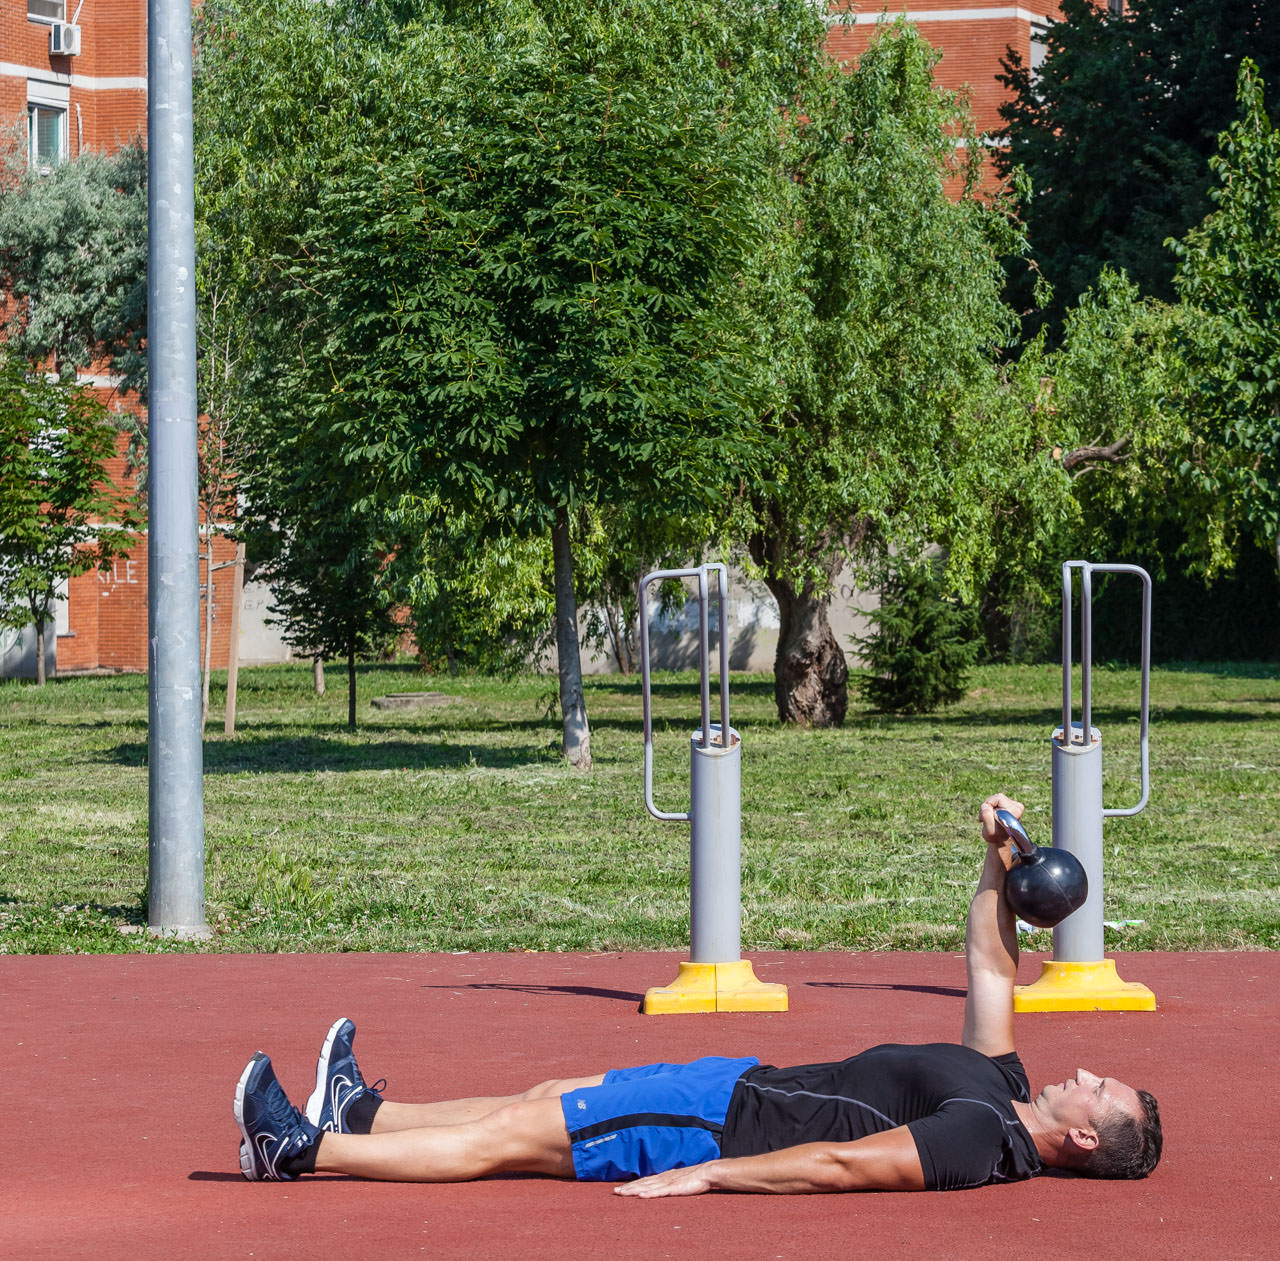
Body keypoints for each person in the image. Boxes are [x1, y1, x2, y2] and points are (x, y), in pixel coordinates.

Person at [233, 793, 1162, 1193]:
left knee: (506, 1141)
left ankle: (301, 1154)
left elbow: (841, 1166)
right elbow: (992, 964)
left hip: (721, 1127)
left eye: (1099, 1087)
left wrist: (714, 1173)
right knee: (547, 1098)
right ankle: (363, 1113)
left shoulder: (982, 1136)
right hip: (733, 1088)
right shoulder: (1000, 1081)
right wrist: (1000, 855)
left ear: (1083, 1135)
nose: (1083, 1070)